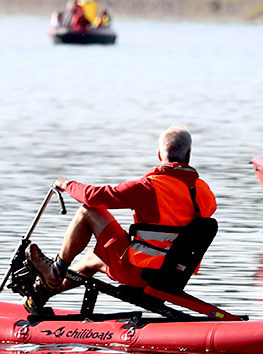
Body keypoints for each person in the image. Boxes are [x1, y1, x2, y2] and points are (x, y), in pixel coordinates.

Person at [26, 125, 216, 308]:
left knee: (88, 211)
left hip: (141, 273)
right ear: (189, 154)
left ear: (159, 154)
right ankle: (42, 294)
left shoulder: (149, 187)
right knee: (93, 257)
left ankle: (55, 271)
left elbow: (92, 196)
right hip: (174, 275)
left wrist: (66, 184)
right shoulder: (205, 193)